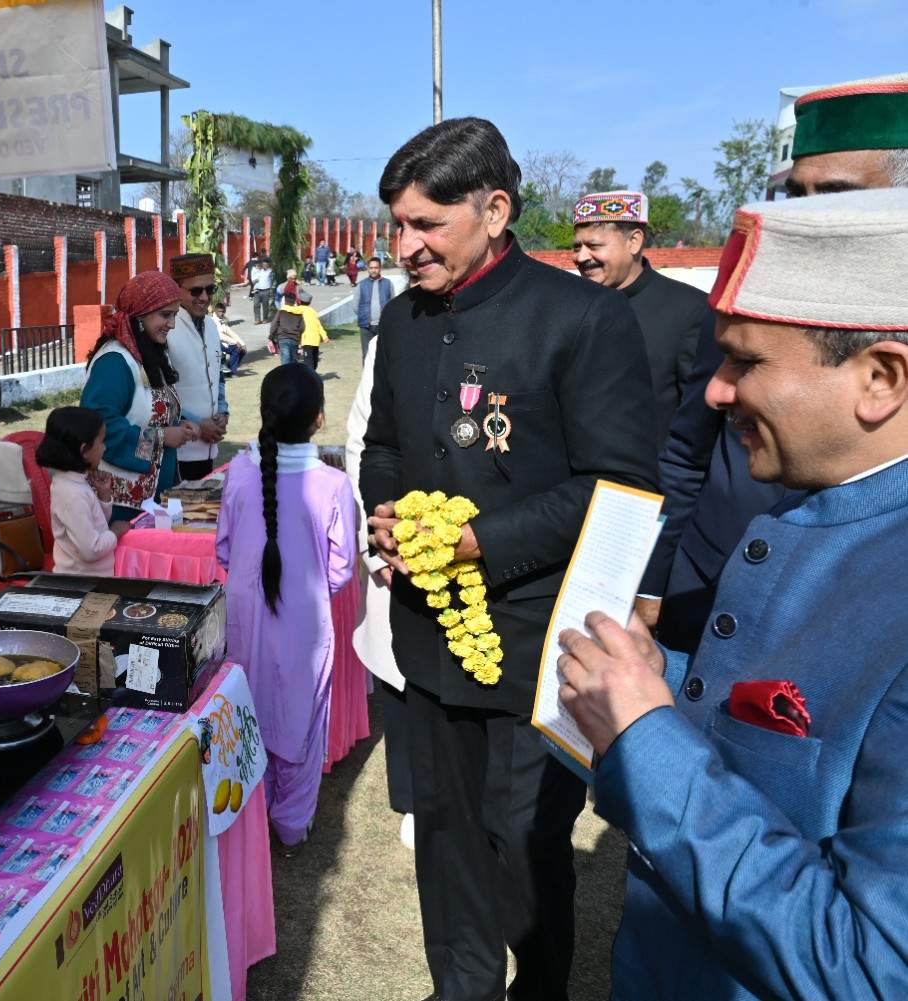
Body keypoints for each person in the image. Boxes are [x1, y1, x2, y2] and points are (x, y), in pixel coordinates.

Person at [557, 188, 908, 1001]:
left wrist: (646, 738)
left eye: (746, 363)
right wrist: (664, 680)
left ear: (881, 378)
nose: (717, 391)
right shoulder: (801, 510)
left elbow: (870, 968)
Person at [360, 117, 658, 1001]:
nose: (405, 248)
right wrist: (389, 515)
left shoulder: (583, 317)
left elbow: (619, 485)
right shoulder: (403, 323)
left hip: (535, 644)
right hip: (426, 639)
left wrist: (477, 543)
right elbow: (384, 444)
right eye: (397, 226)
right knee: (444, 837)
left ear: (494, 211)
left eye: (426, 225)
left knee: (524, 844)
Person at [639, 72, 907, 652]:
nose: (800, 221)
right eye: (794, 197)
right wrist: (651, 581)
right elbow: (685, 452)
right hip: (712, 572)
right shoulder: (749, 300)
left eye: (835, 199)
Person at [217, 363, 356, 851]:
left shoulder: (238, 470)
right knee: (300, 720)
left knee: (250, 709)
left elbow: (225, 550)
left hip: (245, 618)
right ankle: (291, 823)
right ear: (319, 418)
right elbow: (341, 568)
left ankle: (255, 814)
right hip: (304, 624)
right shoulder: (333, 484)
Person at [345, 334, 413, 849]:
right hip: (397, 544)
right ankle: (412, 798)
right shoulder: (393, 336)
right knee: (403, 678)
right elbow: (362, 447)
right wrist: (377, 547)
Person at [571, 190, 707, 446]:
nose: (580, 257)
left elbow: (699, 421)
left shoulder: (690, 311)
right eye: (577, 246)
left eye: (594, 246)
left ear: (634, 242)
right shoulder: (569, 307)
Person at [80, 271, 200, 520]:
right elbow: (99, 427)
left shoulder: (148, 355)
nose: (172, 324)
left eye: (174, 315)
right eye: (165, 315)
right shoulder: (114, 362)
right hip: (120, 506)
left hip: (150, 499)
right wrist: (162, 437)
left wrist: (180, 425)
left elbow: (147, 413)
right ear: (140, 315)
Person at [37, 406, 131, 576]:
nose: (104, 448)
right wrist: (115, 532)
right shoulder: (72, 494)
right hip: (82, 583)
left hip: (91, 579)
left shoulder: (73, 482)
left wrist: (103, 496)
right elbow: (91, 550)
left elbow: (95, 526)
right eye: (101, 442)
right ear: (84, 450)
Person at [169, 253, 229, 481]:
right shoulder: (167, 329)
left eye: (210, 289)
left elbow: (218, 375)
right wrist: (197, 423)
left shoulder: (212, 325)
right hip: (179, 451)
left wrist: (222, 411)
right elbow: (160, 393)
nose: (204, 297)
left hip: (209, 447)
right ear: (177, 289)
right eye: (196, 291)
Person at [355, 256, 392, 359]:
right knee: (367, 354)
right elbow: (355, 305)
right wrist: (364, 315)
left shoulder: (388, 283)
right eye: (371, 268)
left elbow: (392, 304)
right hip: (366, 326)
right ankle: (367, 371)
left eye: (376, 268)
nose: (373, 270)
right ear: (368, 269)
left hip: (383, 325)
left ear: (380, 268)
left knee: (383, 354)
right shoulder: (361, 285)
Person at [293, 290, 330, 370]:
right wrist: (324, 336)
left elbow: (289, 309)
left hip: (306, 340)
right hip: (315, 340)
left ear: (299, 301)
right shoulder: (313, 311)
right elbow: (319, 325)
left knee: (308, 362)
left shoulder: (300, 309)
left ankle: (310, 376)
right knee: (314, 362)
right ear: (309, 302)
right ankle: (312, 375)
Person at [268, 290, 306, 365]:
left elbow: (274, 325)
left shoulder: (281, 312)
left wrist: (271, 336)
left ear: (285, 301)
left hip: (283, 338)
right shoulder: (299, 313)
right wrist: (298, 333)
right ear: (294, 301)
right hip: (295, 339)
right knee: (293, 360)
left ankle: (286, 371)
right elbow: (302, 327)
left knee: (285, 360)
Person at [216, 302, 246, 376]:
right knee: (236, 349)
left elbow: (230, 332)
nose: (222, 313)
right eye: (220, 311)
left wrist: (242, 343)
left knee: (242, 350)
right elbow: (220, 336)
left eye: (223, 312)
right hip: (216, 344)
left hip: (224, 343)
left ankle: (230, 370)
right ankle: (232, 372)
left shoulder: (222, 320)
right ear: (215, 311)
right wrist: (235, 342)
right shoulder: (213, 320)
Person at [250, 257, 275, 324]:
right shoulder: (259, 271)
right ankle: (257, 319)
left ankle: (265, 319)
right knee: (256, 305)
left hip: (266, 290)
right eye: (263, 264)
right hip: (257, 290)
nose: (264, 265)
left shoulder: (270, 271)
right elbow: (253, 275)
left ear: (268, 264)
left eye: (265, 264)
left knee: (265, 306)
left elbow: (273, 280)